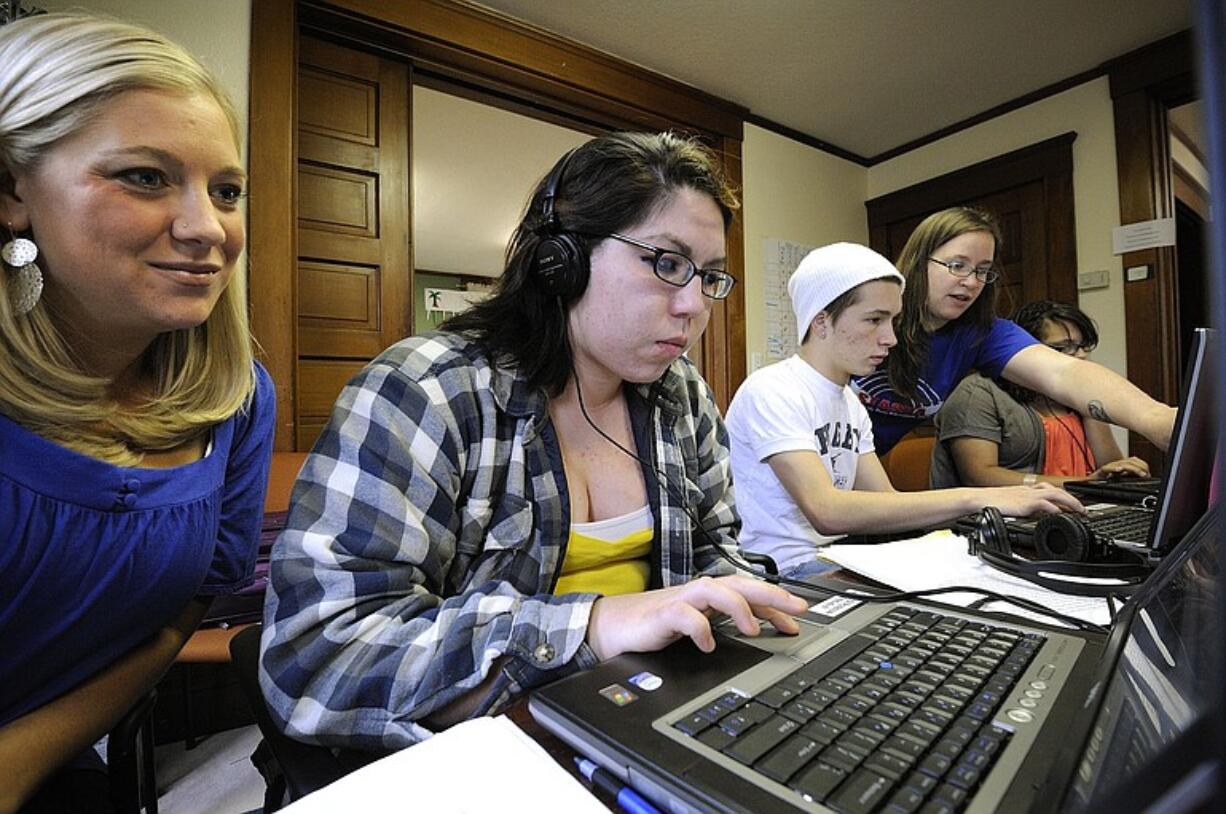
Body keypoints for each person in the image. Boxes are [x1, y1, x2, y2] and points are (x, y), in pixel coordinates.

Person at [261, 132, 807, 752]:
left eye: (708, 276)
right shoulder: (426, 391)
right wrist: (592, 626)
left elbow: (715, 551)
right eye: (667, 263)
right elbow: (316, 658)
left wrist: (754, 603)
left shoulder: (682, 396)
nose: (693, 306)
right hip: (494, 743)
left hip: (653, 712)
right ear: (561, 261)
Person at [0, 13, 274, 813]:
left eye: (227, 191)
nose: (208, 229)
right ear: (13, 191)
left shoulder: (239, 400)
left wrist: (18, 761)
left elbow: (181, 614)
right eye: (145, 177)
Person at [725, 243, 1082, 581]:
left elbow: (887, 503)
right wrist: (983, 495)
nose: (890, 338)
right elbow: (827, 511)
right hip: (783, 570)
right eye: (874, 320)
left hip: (840, 557)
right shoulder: (772, 389)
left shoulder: (850, 403)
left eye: (892, 321)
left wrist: (974, 521)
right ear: (821, 321)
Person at [850, 207, 1177, 458]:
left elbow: (1065, 373)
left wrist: (1158, 420)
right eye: (957, 265)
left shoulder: (981, 334)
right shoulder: (871, 311)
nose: (971, 281)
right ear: (919, 262)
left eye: (982, 270)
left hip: (855, 471)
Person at [931, 300, 1151, 488]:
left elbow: (1109, 466)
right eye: (1062, 348)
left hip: (1083, 513)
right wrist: (1081, 485)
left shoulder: (1079, 395)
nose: (1080, 356)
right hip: (1010, 523)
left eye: (1083, 346)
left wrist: (1123, 471)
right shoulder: (977, 393)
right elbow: (979, 476)